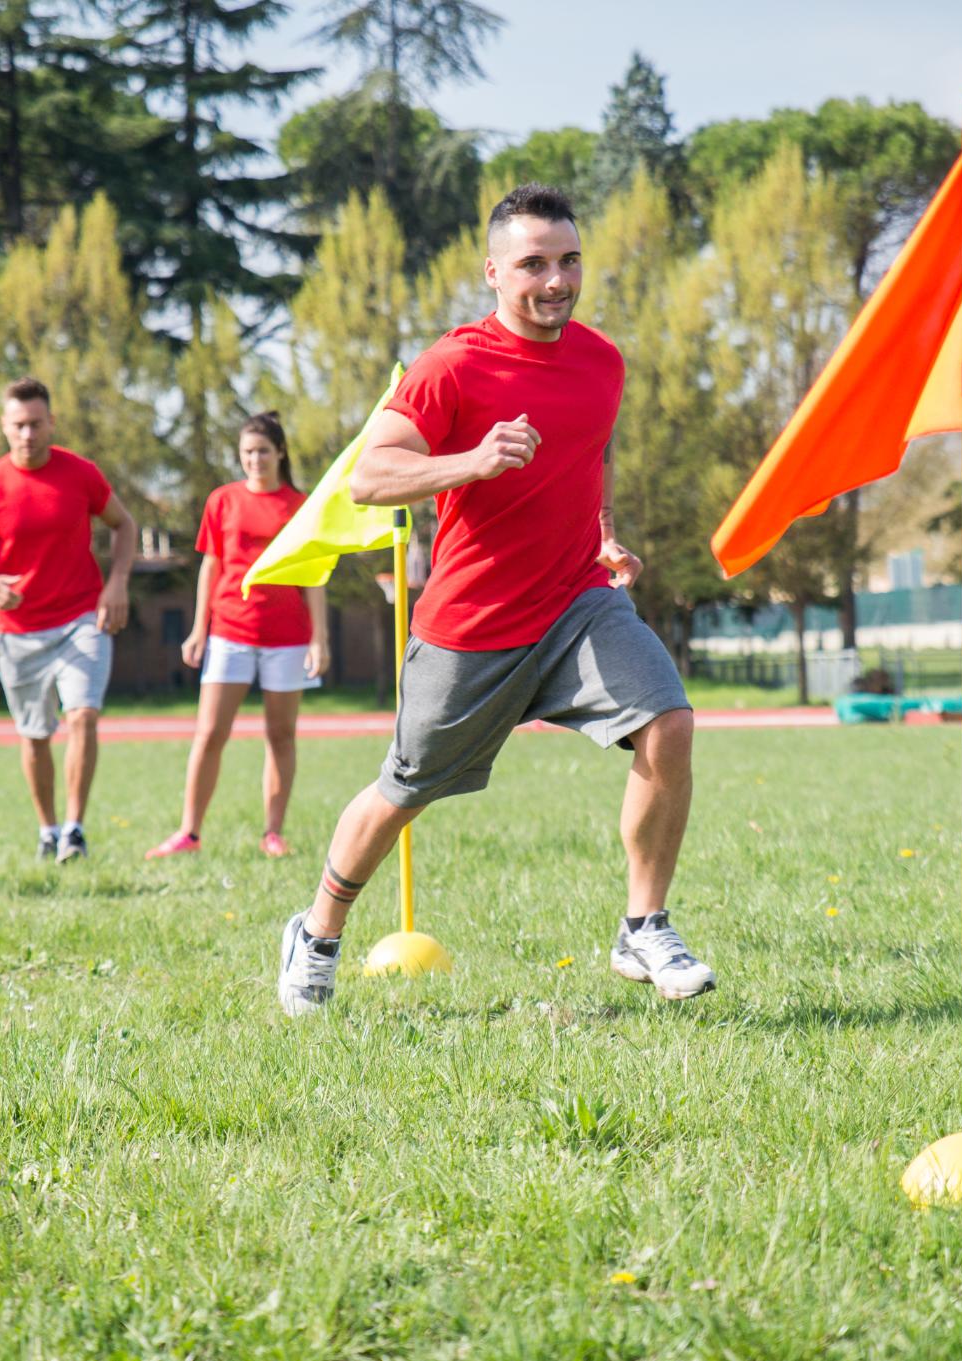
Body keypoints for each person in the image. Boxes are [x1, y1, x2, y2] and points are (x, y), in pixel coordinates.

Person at [274, 183, 715, 1016]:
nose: (555, 280)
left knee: (670, 720)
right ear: (492, 272)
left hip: (577, 602)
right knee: (403, 789)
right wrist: (469, 462)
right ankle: (319, 931)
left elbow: (593, 454)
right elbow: (372, 477)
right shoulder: (453, 366)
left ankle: (644, 923)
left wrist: (604, 530)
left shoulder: (601, 361)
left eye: (569, 260)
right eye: (534, 264)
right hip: (472, 627)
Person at [0, 376, 136, 864]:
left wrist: (117, 583)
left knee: (83, 716)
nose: (28, 433)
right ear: (4, 427)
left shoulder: (80, 474)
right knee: (34, 735)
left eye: (36, 423)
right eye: (18, 425)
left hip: (82, 617)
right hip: (19, 630)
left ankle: (74, 828)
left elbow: (125, 524)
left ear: (51, 422)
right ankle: (48, 829)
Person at [147, 413, 330, 862]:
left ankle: (273, 833)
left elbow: (314, 576)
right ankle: (189, 833)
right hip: (229, 631)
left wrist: (319, 638)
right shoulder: (222, 501)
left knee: (281, 735)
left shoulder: (300, 504)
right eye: (247, 452)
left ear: (280, 453)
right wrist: (198, 628)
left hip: (287, 637)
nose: (255, 460)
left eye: (263, 451)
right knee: (209, 733)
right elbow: (211, 566)